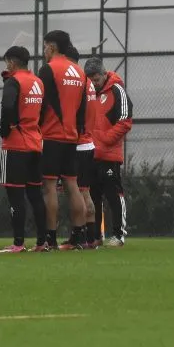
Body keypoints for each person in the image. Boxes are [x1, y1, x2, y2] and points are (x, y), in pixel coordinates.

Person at [38, 30, 88, 251]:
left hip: (50, 135)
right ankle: (78, 237)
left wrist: (38, 128)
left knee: (49, 187)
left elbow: (42, 103)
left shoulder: (48, 69)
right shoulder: (79, 72)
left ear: (52, 47)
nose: (44, 51)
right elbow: (82, 109)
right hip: (71, 137)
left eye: (45, 46)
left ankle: (50, 238)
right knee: (72, 184)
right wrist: (75, 131)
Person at [0, 46, 47, 253]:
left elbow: (7, 107)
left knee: (15, 196)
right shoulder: (38, 82)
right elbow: (43, 110)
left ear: (12, 62)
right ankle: (42, 241)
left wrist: (7, 129)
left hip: (16, 144)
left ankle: (18, 243)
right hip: (35, 142)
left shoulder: (13, 81)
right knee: (35, 194)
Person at [85, 58, 133, 248]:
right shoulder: (87, 92)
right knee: (93, 196)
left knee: (114, 195)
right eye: (90, 80)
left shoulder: (116, 90)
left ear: (104, 75)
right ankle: (97, 236)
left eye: (96, 79)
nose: (94, 84)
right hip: (90, 154)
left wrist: (104, 140)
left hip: (109, 154)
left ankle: (118, 236)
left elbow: (125, 121)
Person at [66, 46, 100, 247]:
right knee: (85, 191)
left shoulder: (76, 84)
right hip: (89, 143)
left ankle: (78, 237)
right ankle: (91, 238)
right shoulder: (89, 84)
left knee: (76, 192)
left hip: (78, 144)